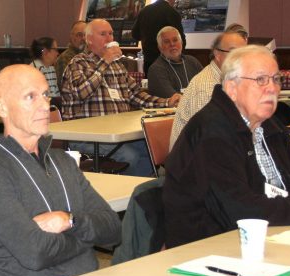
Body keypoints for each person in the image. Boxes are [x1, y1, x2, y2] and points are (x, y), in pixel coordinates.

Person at [164, 45, 290, 248]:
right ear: (232, 88)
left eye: (276, 79)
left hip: (271, 237)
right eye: (260, 80)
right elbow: (239, 209)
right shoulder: (211, 132)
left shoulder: (270, 125)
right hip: (208, 249)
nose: (272, 88)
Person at [0, 65, 121, 276]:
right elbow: (35, 252)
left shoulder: (62, 162)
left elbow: (113, 229)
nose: (45, 105)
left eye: (46, 94)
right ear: (2, 107)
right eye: (31, 96)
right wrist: (86, 237)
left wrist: (69, 220)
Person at [60, 19, 179, 176]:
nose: (110, 38)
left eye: (111, 33)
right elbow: (81, 92)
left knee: (153, 148)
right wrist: (105, 61)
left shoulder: (117, 66)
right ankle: (128, 196)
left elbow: (136, 95)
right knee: (131, 157)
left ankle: (142, 194)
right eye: (103, 34)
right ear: (89, 39)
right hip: (88, 137)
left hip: (117, 134)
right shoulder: (78, 63)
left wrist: (167, 102)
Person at [169, 29, 247, 149]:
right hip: (193, 161)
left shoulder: (230, 80)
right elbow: (209, 143)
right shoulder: (207, 88)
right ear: (217, 54)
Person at [130, 0, 185, 75]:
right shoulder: (172, 13)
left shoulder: (144, 11)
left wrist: (146, 35)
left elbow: (135, 34)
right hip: (169, 62)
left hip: (149, 60)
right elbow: (181, 39)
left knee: (151, 85)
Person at [146, 26, 202, 98]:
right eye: (166, 42)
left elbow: (207, 87)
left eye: (175, 40)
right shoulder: (156, 69)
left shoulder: (192, 61)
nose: (172, 44)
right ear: (160, 47)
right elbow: (174, 99)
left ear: (181, 42)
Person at [29, 37, 61, 108]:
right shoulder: (33, 70)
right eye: (55, 49)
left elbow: (55, 93)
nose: (57, 53)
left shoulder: (51, 68)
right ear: (45, 51)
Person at [55, 21, 86, 89]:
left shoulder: (90, 56)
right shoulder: (64, 59)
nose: (83, 38)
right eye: (79, 35)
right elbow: (65, 87)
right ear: (71, 37)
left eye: (85, 35)